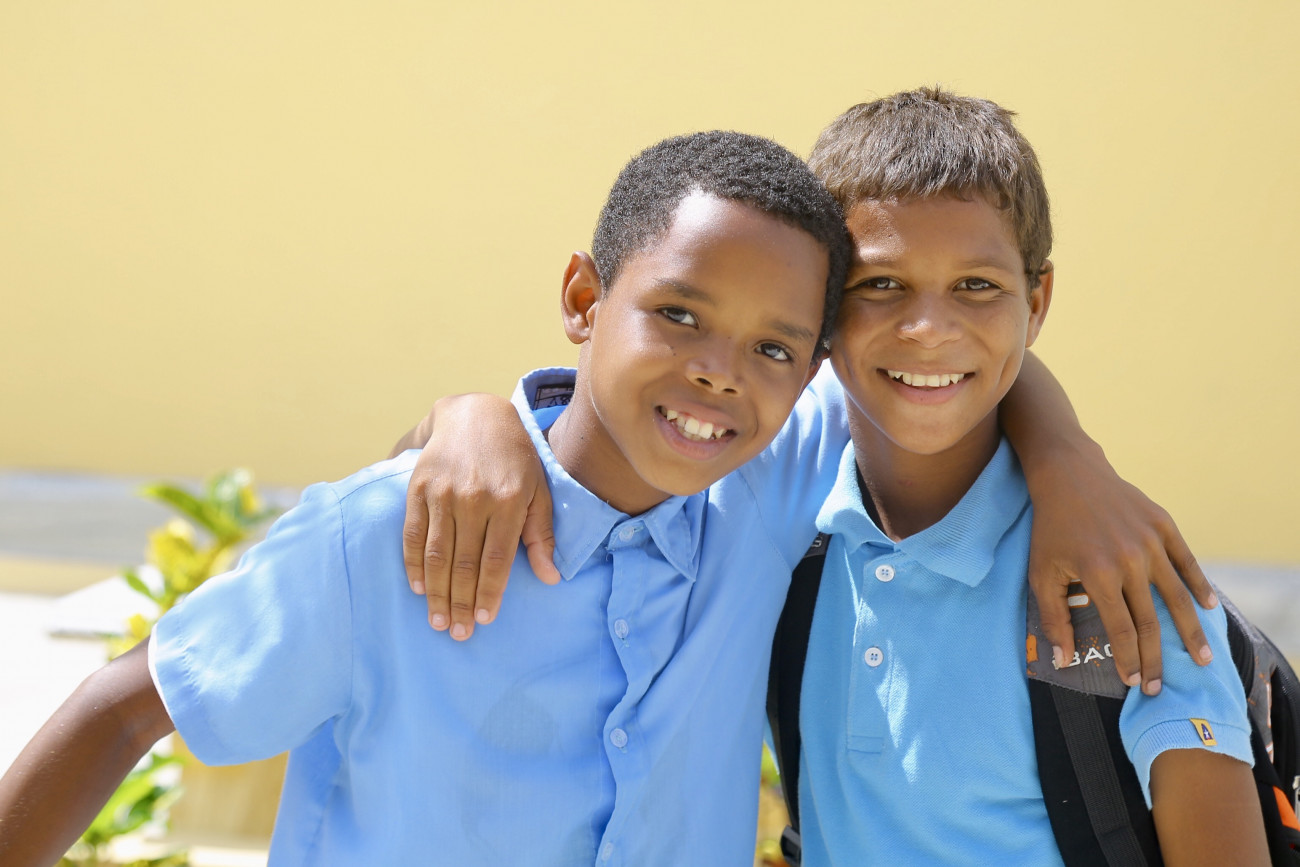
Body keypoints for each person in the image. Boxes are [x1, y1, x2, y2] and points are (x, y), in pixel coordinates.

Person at [400, 90, 1267, 866]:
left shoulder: (1115, 580)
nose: (927, 328)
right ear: (818, 319)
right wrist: (471, 418)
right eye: (881, 284)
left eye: (975, 285)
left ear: (1035, 304)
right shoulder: (774, 507)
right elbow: (580, 427)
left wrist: (1069, 459)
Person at [0, 130, 858, 866]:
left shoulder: (761, 500)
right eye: (678, 314)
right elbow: (121, 711)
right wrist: (459, 417)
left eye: (773, 350)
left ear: (809, 371)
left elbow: (925, 360)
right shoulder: (385, 532)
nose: (720, 370)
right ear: (584, 299)